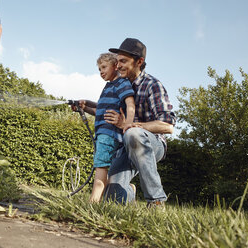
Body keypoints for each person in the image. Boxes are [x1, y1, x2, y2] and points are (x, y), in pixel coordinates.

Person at [102, 38, 176, 208]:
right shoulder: (120, 85)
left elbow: (168, 126)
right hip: (127, 146)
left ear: (139, 62)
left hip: (153, 143)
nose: (118, 65)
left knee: (133, 133)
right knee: (112, 200)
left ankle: (156, 200)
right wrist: (86, 106)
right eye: (117, 60)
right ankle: (130, 191)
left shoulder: (152, 85)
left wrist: (131, 125)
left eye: (123, 61)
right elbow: (108, 113)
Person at [75, 53, 135, 202]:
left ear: (115, 66)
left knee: (101, 167)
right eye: (99, 69)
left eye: (104, 67)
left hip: (109, 134)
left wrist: (128, 123)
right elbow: (100, 112)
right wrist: (84, 108)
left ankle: (93, 202)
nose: (101, 71)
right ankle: (130, 190)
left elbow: (130, 103)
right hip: (104, 133)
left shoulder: (121, 83)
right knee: (107, 169)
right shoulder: (109, 86)